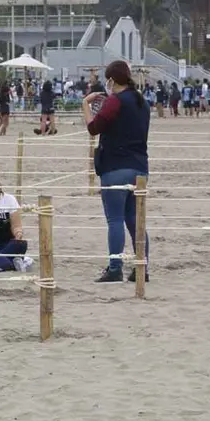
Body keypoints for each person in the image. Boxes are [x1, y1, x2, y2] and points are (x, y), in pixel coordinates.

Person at [83, 60, 151, 283]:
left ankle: (115, 268)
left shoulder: (115, 101)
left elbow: (94, 128)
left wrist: (86, 105)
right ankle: (142, 267)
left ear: (111, 80)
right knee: (135, 219)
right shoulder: (142, 102)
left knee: (115, 219)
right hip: (140, 167)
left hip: (115, 166)